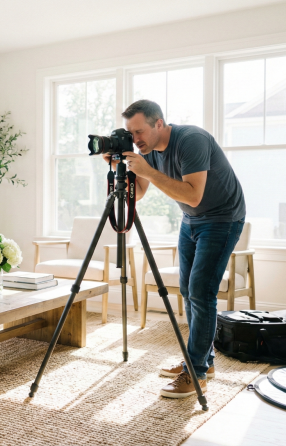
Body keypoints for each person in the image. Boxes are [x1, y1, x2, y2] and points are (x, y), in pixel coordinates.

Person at [103, 99, 245, 399]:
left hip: (222, 219)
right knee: (187, 290)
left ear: (159, 123)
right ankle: (203, 362)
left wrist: (148, 170)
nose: (135, 139)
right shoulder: (147, 150)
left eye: (139, 131)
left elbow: (193, 196)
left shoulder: (191, 140)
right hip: (191, 220)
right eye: (130, 132)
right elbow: (140, 193)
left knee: (201, 291)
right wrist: (120, 168)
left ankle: (195, 372)